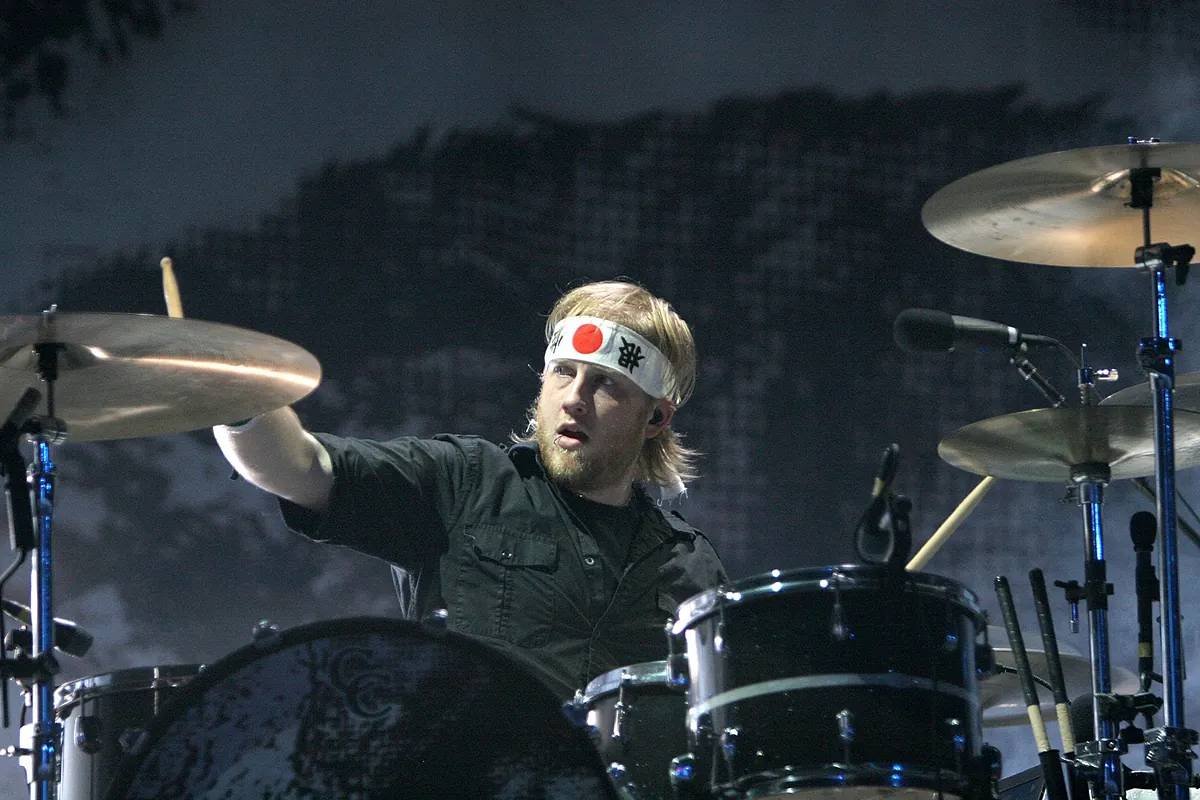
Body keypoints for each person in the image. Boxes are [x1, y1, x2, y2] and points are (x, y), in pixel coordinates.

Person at [213, 280, 726, 699]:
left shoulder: (689, 563)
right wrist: (231, 393)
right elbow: (299, 467)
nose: (574, 398)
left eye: (606, 383)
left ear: (655, 417)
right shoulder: (464, 481)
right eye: (563, 372)